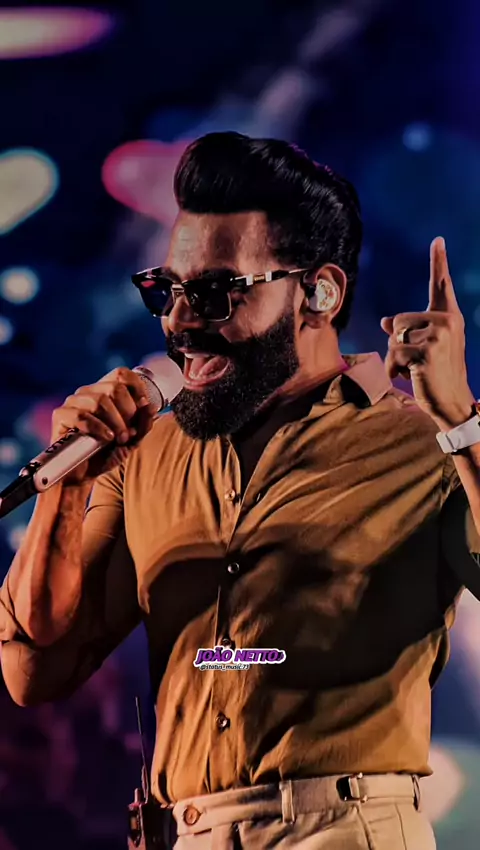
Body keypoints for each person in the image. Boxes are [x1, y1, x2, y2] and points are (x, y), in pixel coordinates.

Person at [1, 131, 480, 850]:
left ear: (319, 293)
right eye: (166, 290)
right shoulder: (143, 455)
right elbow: (34, 671)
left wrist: (462, 422)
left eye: (215, 293)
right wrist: (64, 494)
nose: (178, 320)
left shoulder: (423, 443)